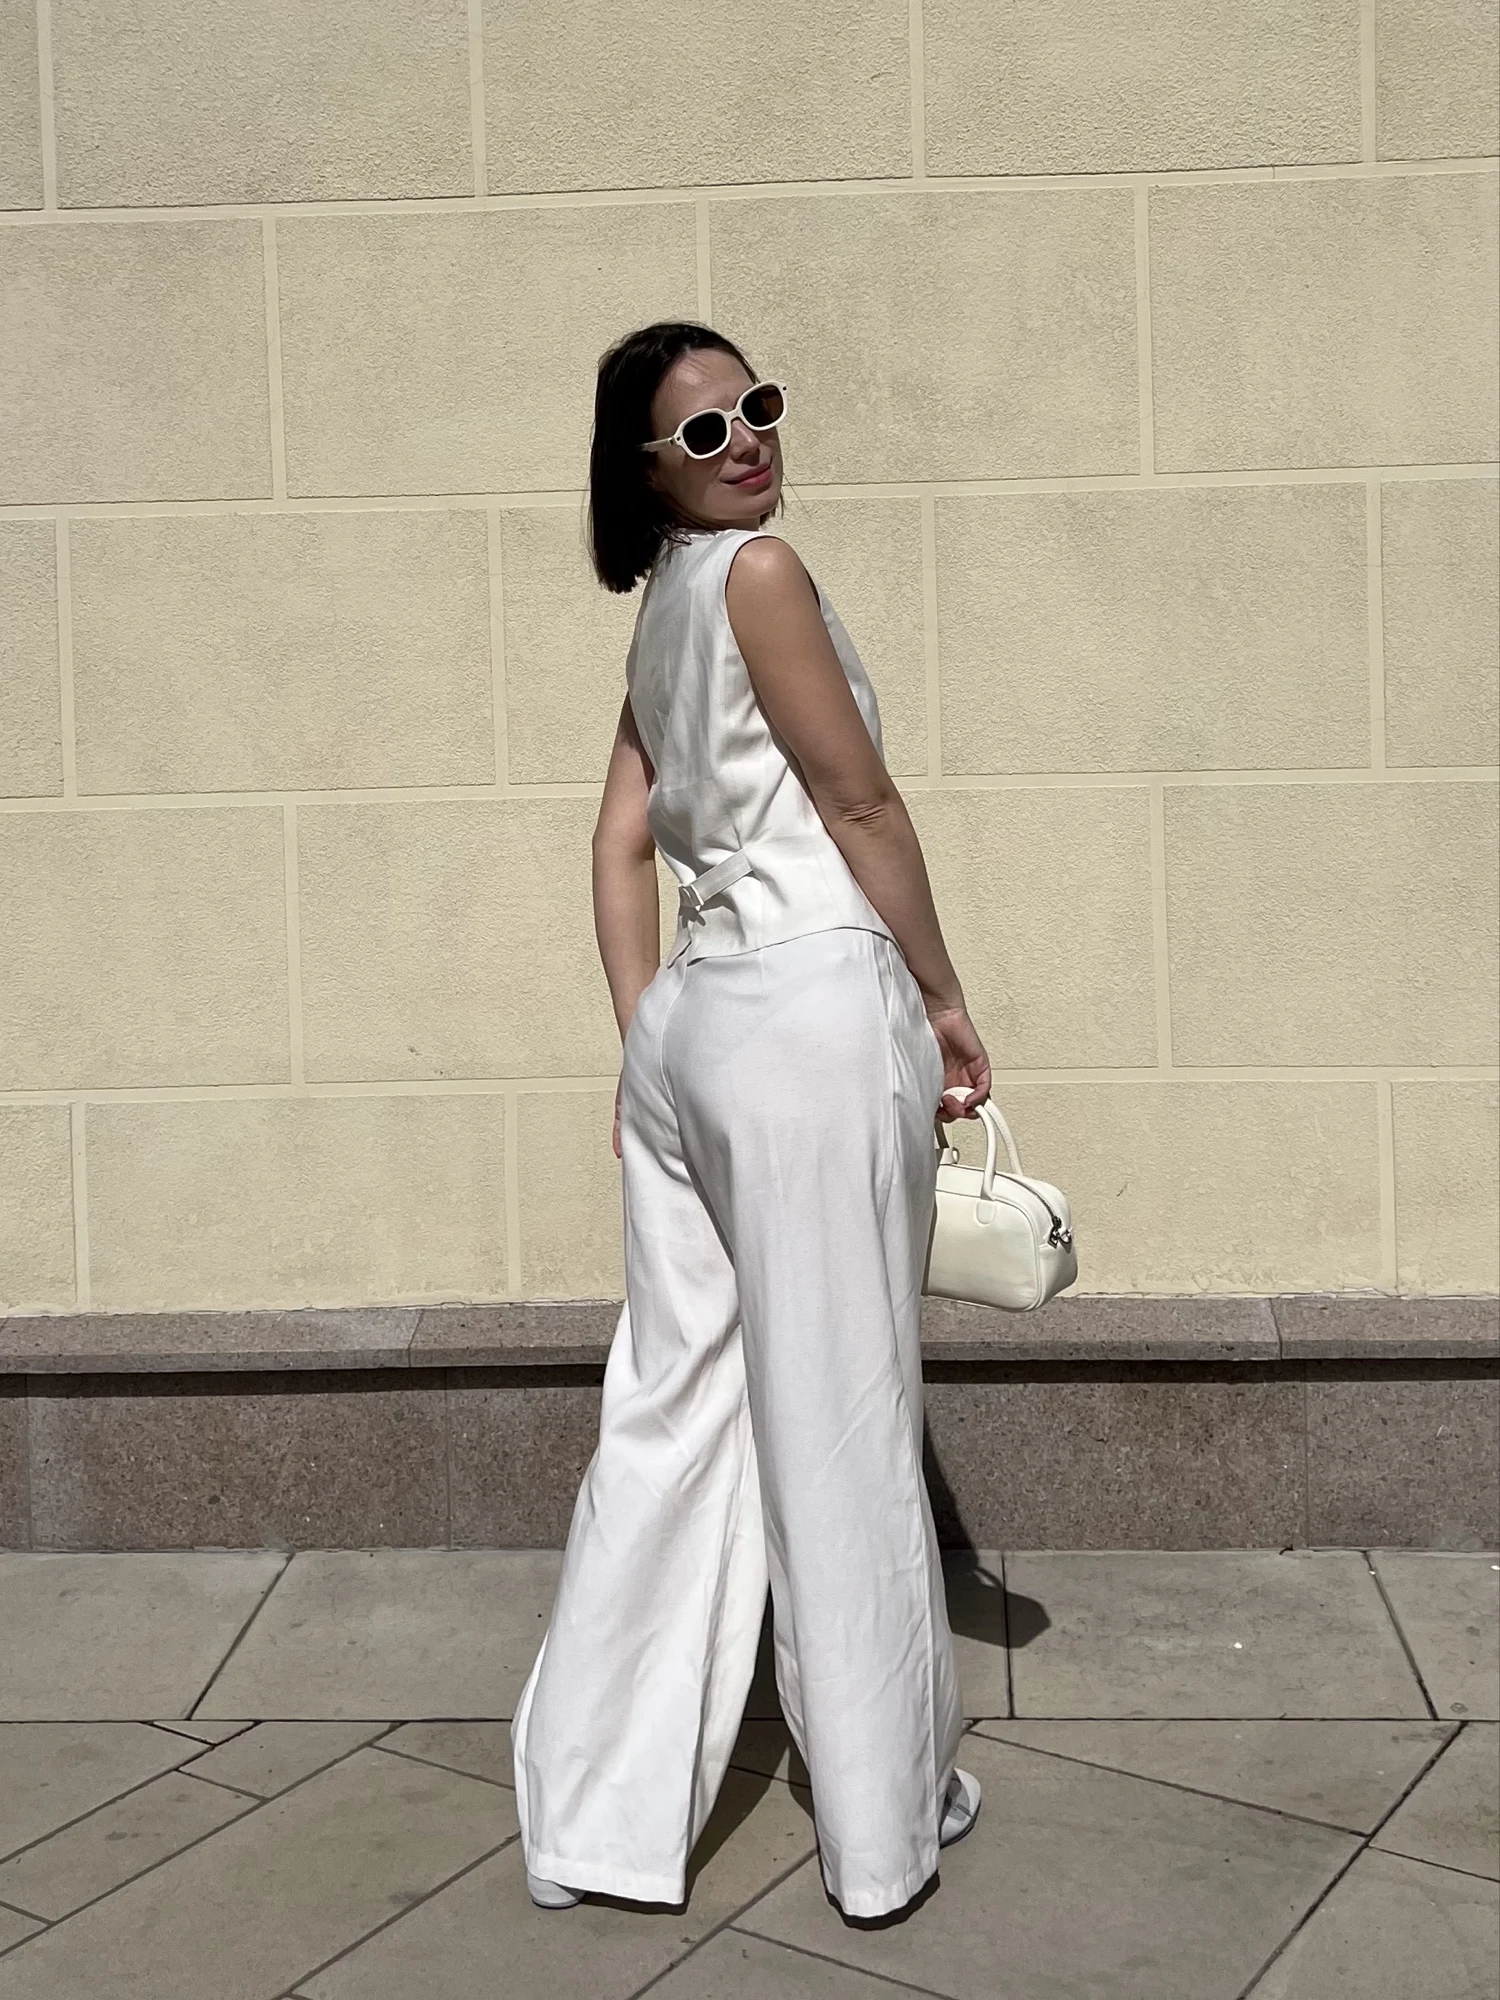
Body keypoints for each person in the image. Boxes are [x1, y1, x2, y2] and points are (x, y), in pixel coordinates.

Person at [510, 319, 993, 1923]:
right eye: (706, 432)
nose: (748, 442)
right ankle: (883, 1836)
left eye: (758, 408)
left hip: (699, 1031)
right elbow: (859, 802)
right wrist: (944, 996)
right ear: (647, 470)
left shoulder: (664, 610)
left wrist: (645, 1033)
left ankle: (592, 1820)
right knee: (839, 1417)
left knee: (671, 1411)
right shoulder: (761, 574)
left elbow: (616, 842)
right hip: (806, 1011)